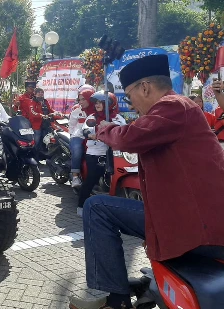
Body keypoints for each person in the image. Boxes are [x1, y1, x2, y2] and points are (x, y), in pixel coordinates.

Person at [69, 54, 224, 309]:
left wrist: (102, 128)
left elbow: (128, 138)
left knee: (97, 207)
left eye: (130, 97)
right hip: (191, 219)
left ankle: (116, 301)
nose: (132, 105)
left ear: (145, 87)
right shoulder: (180, 109)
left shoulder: (173, 106)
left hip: (197, 227)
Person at [76, 92, 125, 217]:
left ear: (109, 104)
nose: (97, 105)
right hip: (95, 152)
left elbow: (124, 130)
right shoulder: (92, 117)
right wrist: (92, 135)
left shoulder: (117, 118)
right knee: (92, 178)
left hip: (114, 154)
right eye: (96, 102)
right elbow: (85, 130)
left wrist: (111, 126)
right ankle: (81, 206)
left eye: (100, 102)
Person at [68, 87, 96, 189]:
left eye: (84, 99)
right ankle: (75, 177)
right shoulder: (76, 111)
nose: (81, 102)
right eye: (79, 99)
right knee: (77, 151)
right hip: (78, 136)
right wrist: (72, 137)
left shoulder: (97, 110)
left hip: (93, 137)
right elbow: (71, 125)